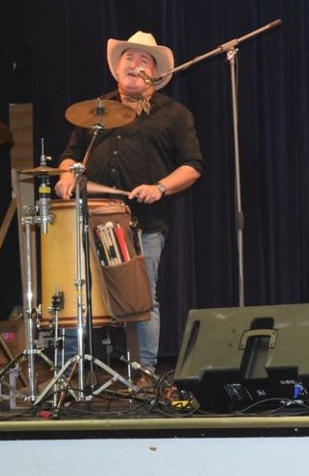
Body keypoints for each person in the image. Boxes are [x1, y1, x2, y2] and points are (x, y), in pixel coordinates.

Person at [54, 31, 203, 377]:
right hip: (90, 217)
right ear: (117, 68)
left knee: (140, 295)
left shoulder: (173, 113)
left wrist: (160, 187)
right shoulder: (96, 109)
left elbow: (193, 166)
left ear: (156, 73)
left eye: (144, 61)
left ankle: (144, 372)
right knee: (80, 289)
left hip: (144, 221)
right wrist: (65, 175)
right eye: (128, 59)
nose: (134, 66)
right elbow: (69, 156)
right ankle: (70, 371)